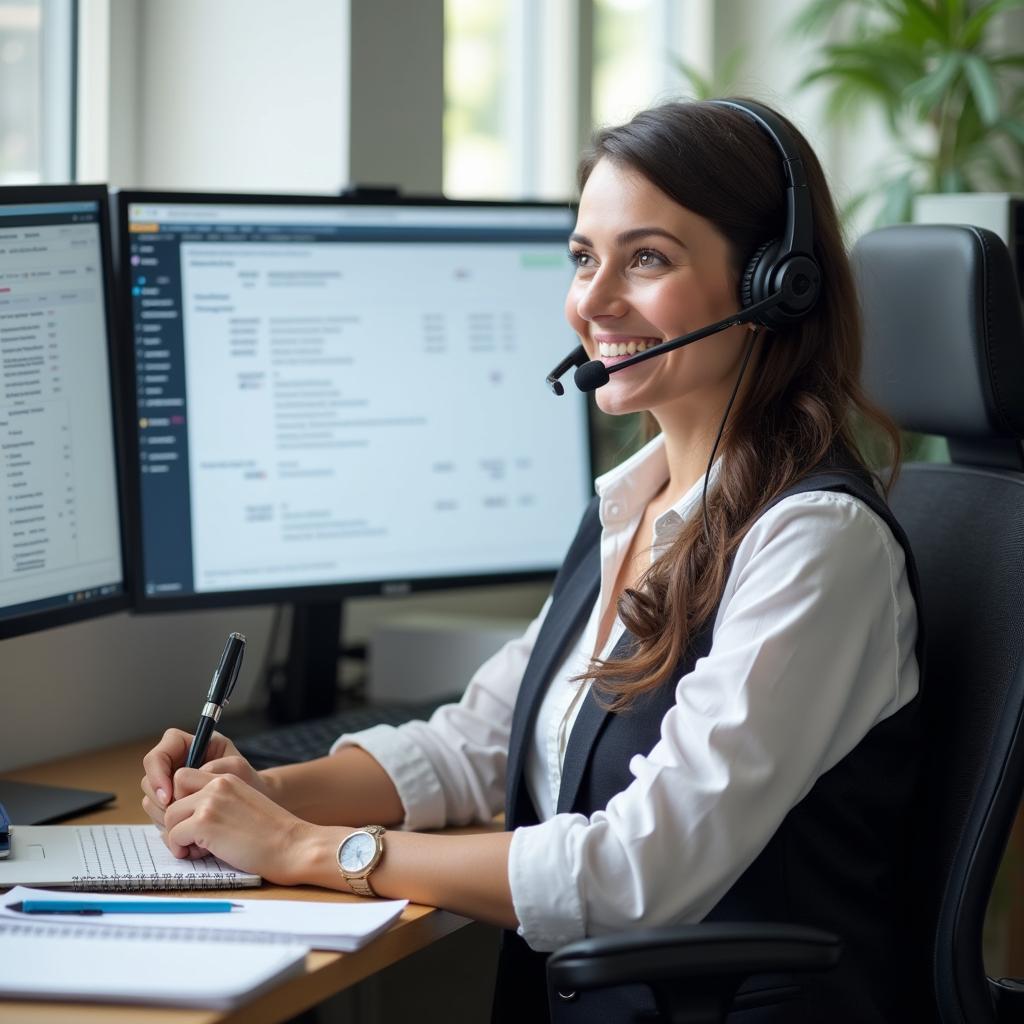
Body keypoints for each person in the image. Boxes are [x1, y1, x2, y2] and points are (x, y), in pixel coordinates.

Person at [141, 98, 921, 1023]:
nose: (592, 303)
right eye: (584, 257)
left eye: (648, 258)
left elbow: (636, 872)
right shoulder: (638, 505)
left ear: (772, 284)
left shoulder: (815, 544)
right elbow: (476, 746)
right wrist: (259, 793)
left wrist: (312, 851)